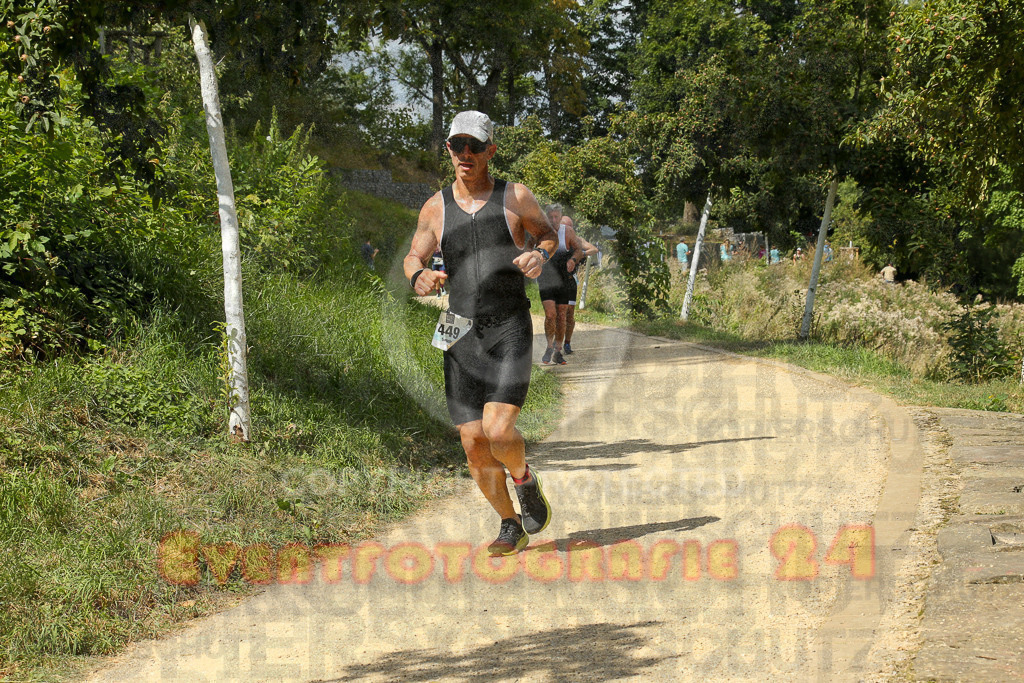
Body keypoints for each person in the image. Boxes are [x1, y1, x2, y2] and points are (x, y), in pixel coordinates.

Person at [403, 111, 556, 556]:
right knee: (472, 440)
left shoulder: (516, 196)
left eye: (474, 145)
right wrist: (417, 277)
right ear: (448, 150)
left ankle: (524, 478)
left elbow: (546, 235)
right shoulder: (435, 207)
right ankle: (510, 523)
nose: (465, 154)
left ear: (490, 149)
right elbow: (415, 255)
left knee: (499, 429)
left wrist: (539, 256)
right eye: (457, 146)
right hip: (459, 331)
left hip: (508, 325)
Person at [536, 204, 584, 365]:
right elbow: (528, 248)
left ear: (561, 216)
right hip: (546, 278)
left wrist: (573, 260)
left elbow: (579, 250)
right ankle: (549, 347)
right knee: (550, 315)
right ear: (546, 216)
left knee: (562, 315)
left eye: (556, 216)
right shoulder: (540, 231)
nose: (553, 220)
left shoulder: (567, 232)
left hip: (564, 279)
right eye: (551, 216)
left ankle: (558, 351)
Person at [560, 215, 599, 355]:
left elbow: (594, 249)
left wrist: (581, 254)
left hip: (570, 280)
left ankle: (567, 343)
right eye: (565, 227)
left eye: (571, 227)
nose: (568, 230)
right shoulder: (553, 239)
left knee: (569, 313)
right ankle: (553, 344)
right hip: (556, 281)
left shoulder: (577, 240)